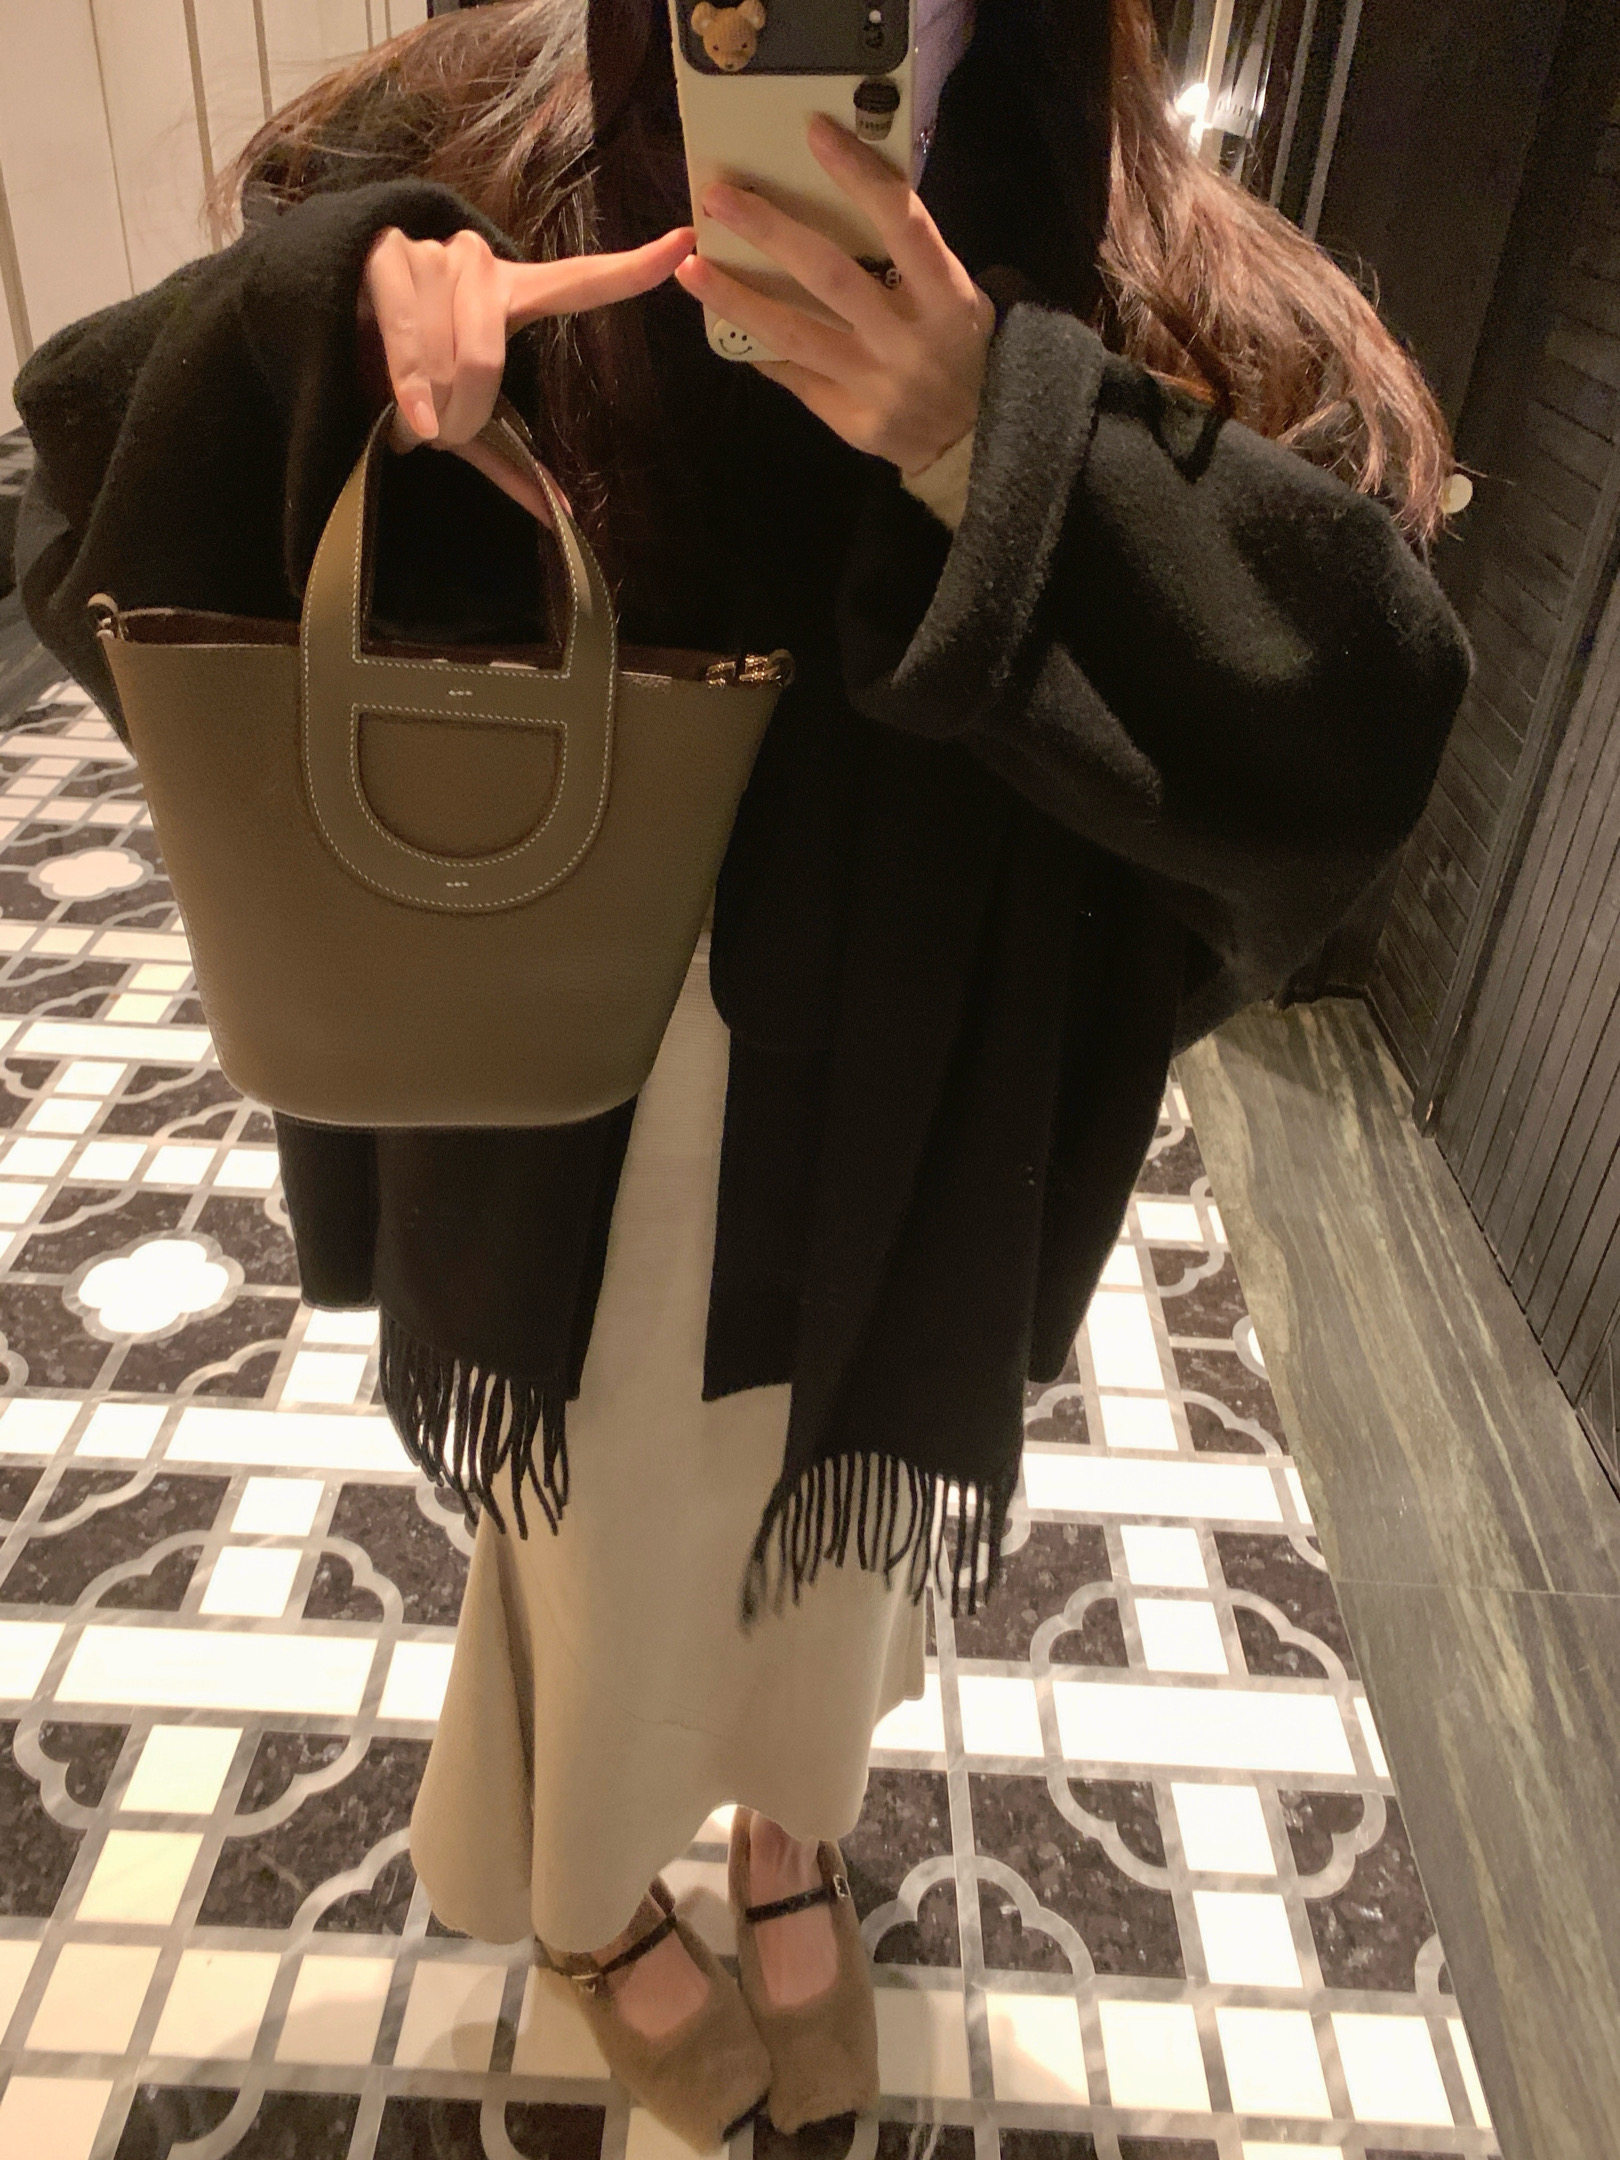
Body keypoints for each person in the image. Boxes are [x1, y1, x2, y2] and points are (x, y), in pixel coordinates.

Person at [12, 0, 1470, 2146]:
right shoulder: (487, 129)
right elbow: (91, 472)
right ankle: (593, 1899)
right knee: (604, 1538)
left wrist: (999, 439)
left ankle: (792, 1833)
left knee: (838, 1545)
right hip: (591, 1077)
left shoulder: (1162, 251)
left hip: (924, 1098)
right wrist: (356, 325)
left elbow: (1354, 730)